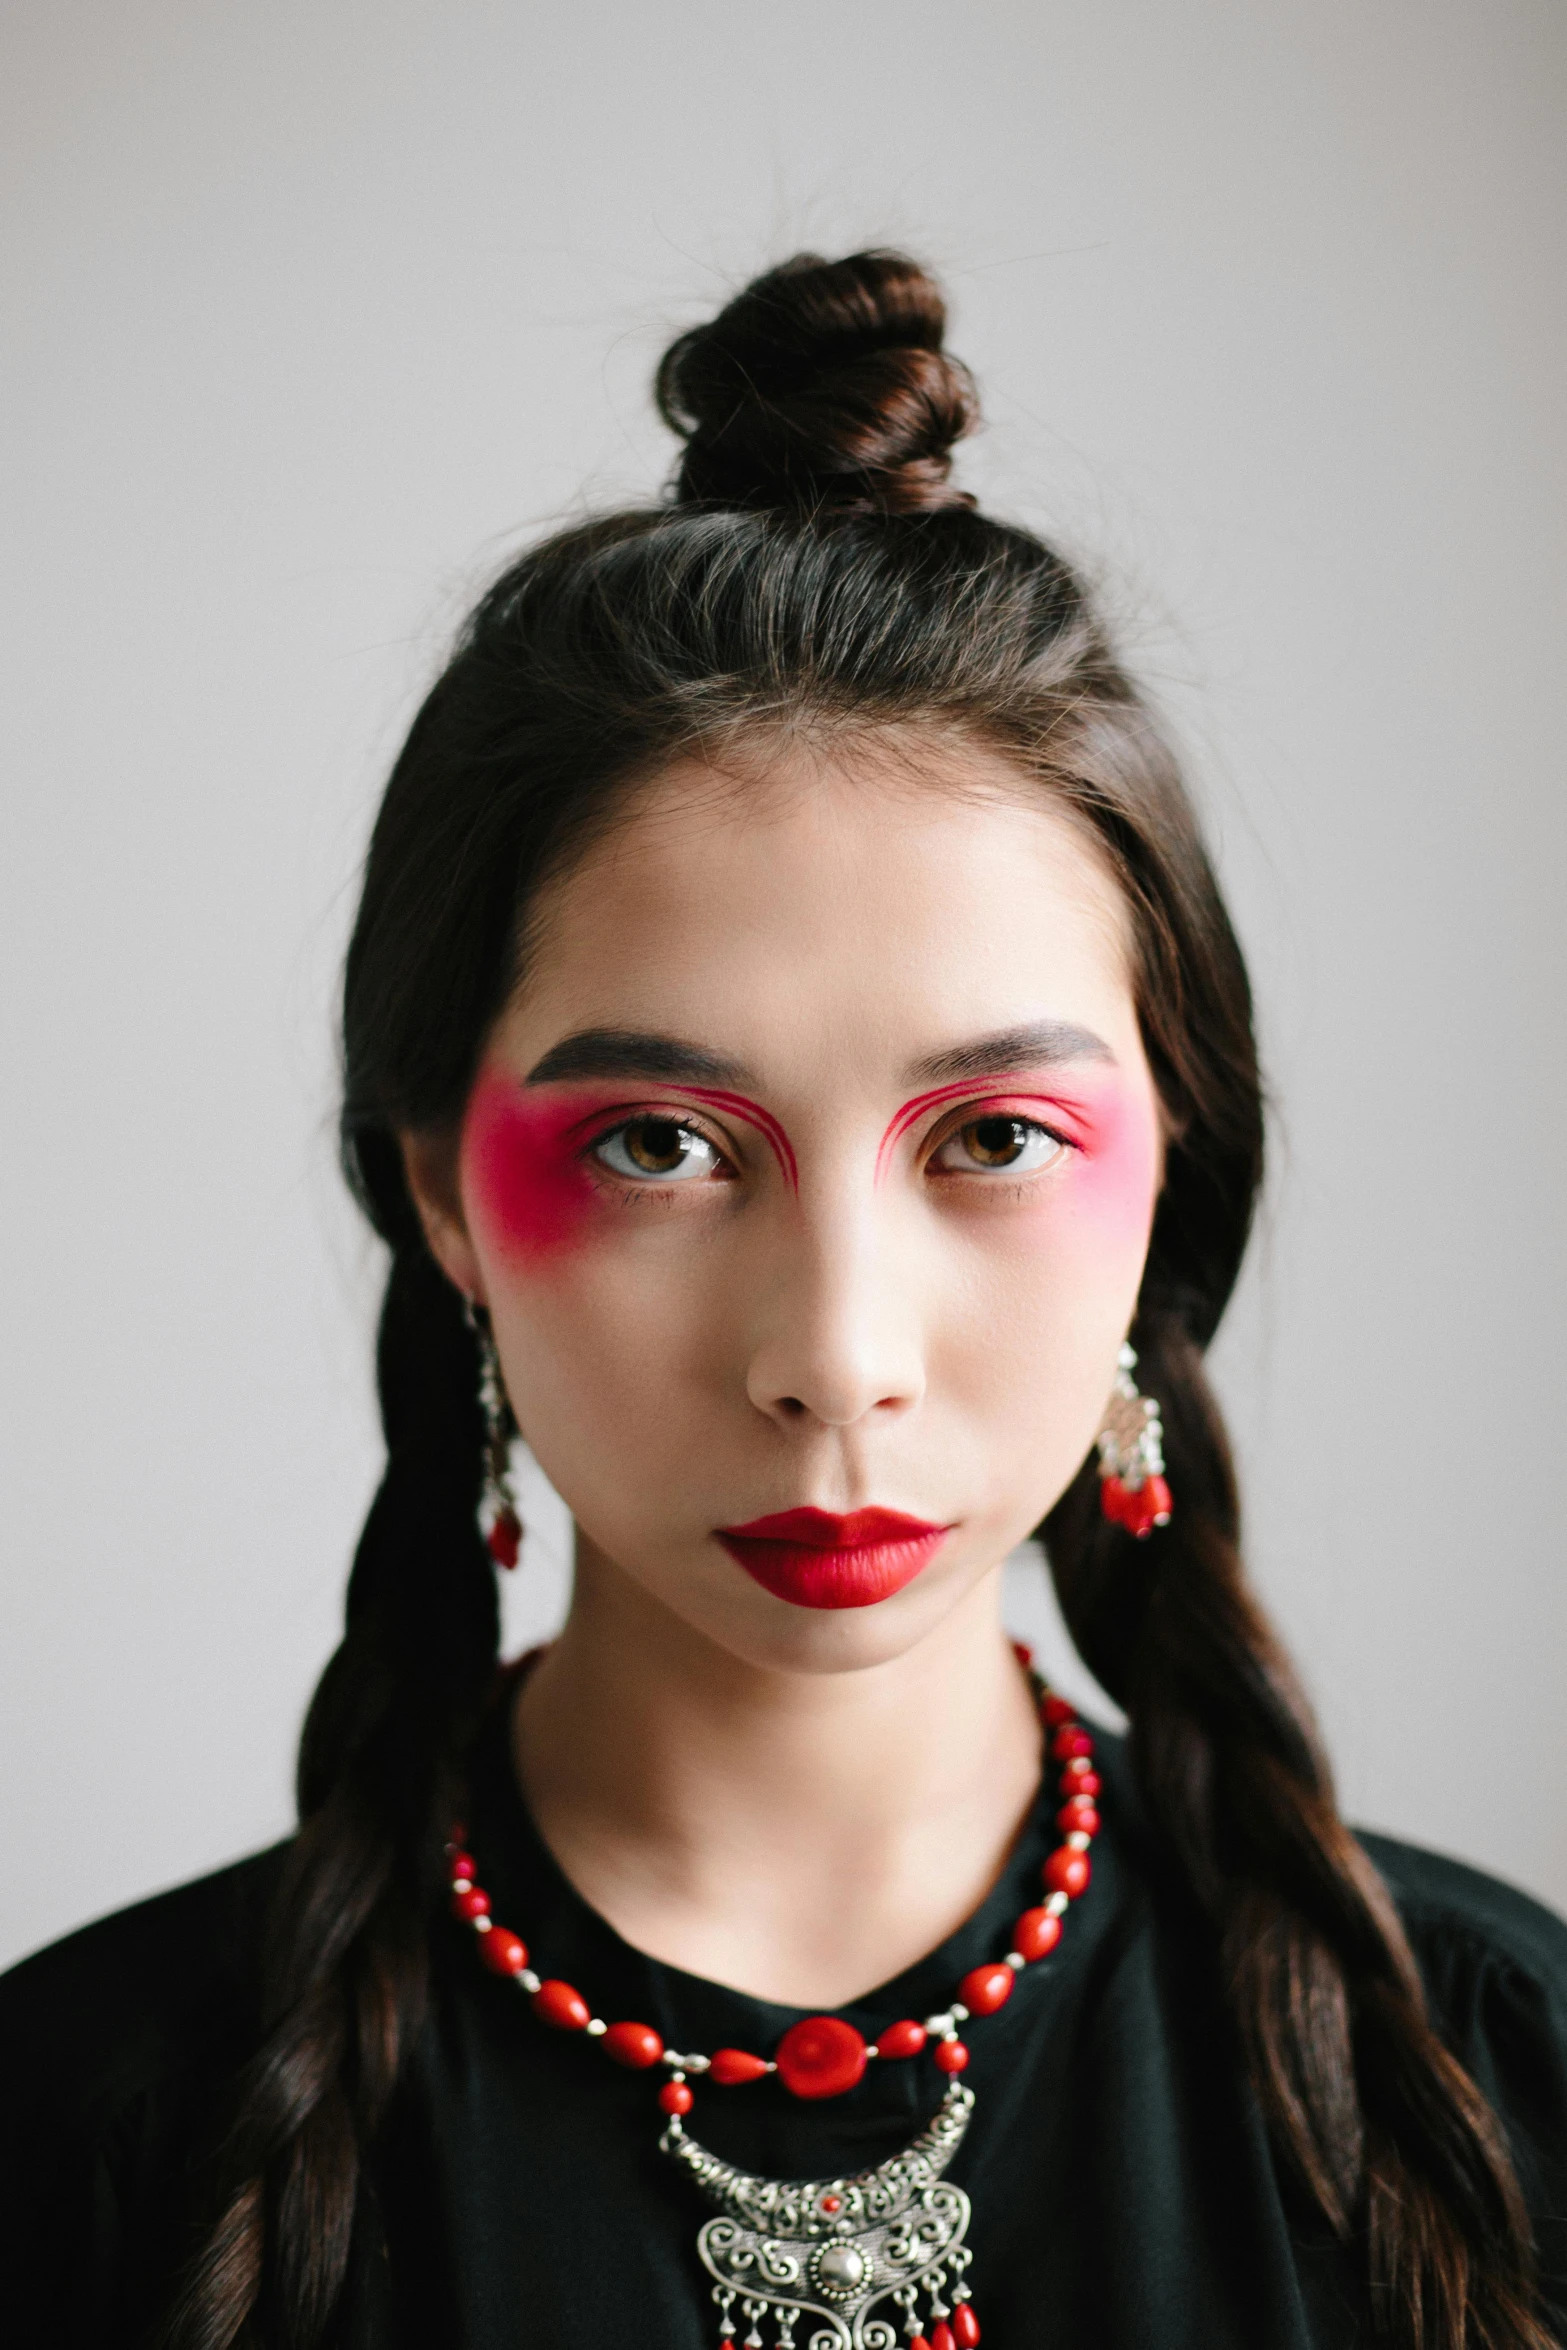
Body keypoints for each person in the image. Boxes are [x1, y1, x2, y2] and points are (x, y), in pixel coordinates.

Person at [2, 250, 1564, 2350]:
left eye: (992, 1137)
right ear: (441, 1190)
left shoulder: (1493, 2082)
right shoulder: (94, 2133)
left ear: (1168, 1161)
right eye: (658, 1144)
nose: (836, 1353)